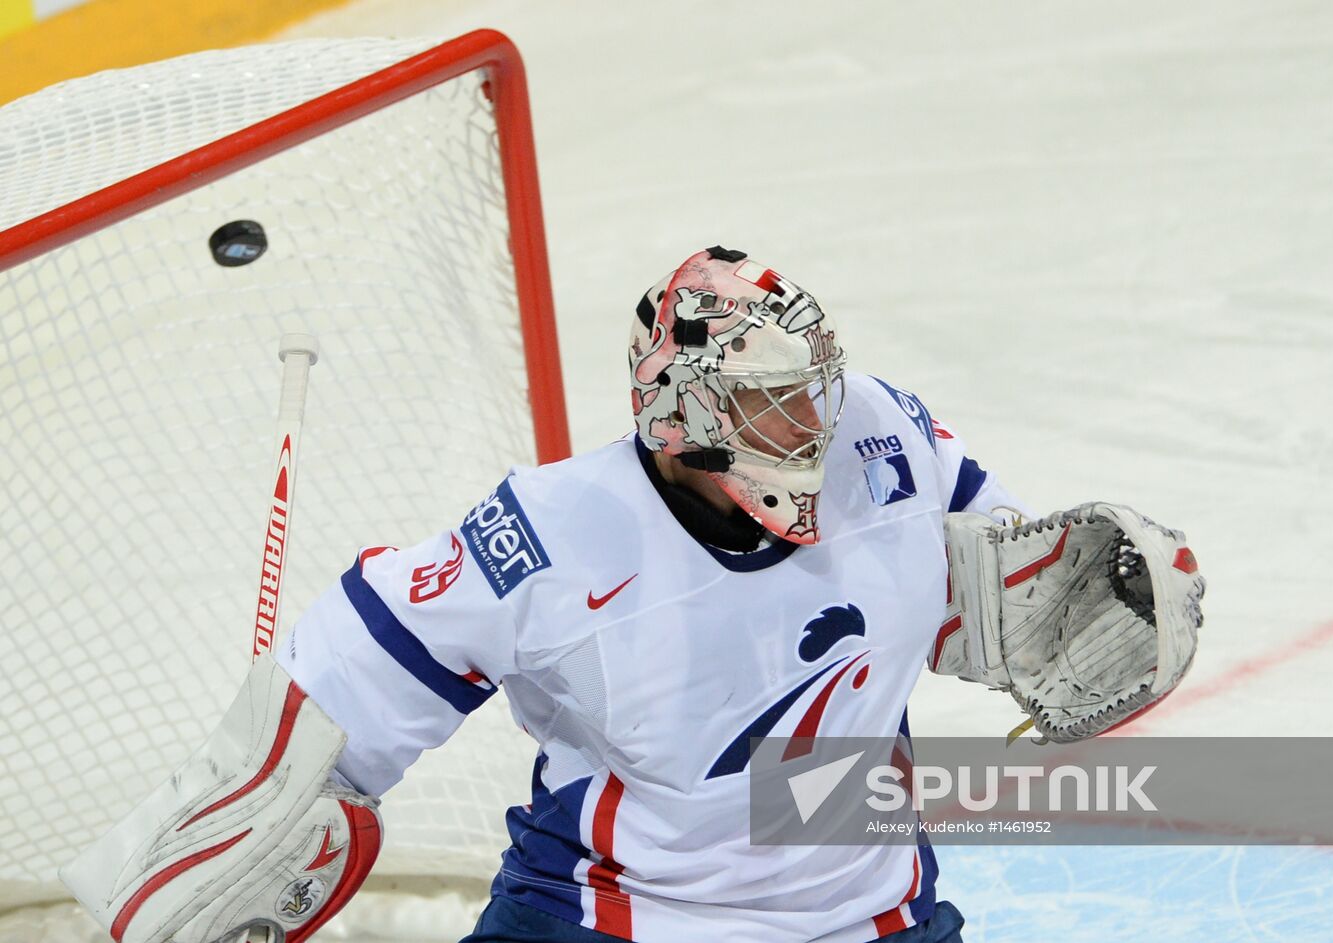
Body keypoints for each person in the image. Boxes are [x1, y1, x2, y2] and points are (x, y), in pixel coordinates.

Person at [64, 246, 1203, 943]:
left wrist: (1050, 601)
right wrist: (255, 805)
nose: (808, 424)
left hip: (865, 913)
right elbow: (356, 667)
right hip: (612, 918)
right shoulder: (549, 536)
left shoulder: (881, 431)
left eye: (812, 391)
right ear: (680, 414)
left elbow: (974, 585)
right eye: (768, 406)